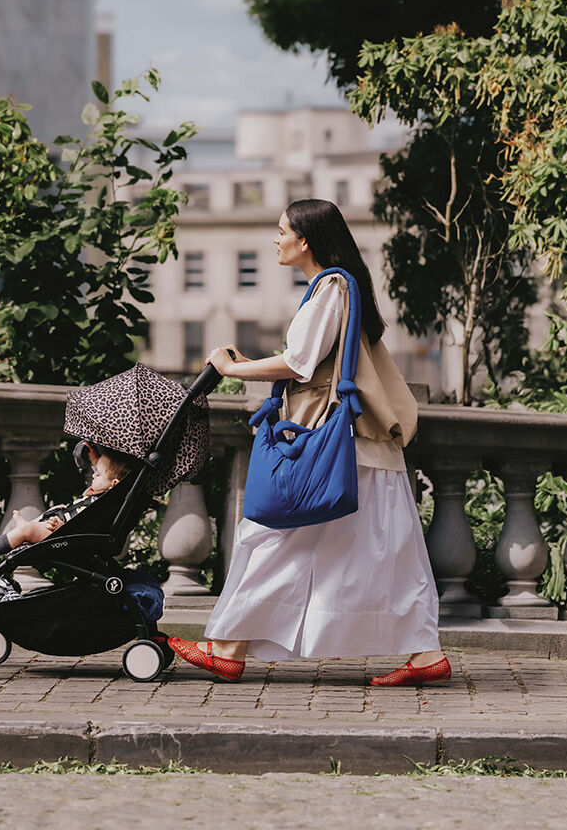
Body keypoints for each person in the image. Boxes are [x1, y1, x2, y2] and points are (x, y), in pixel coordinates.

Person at [168, 199, 449, 686]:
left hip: (334, 448)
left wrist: (231, 369)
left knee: (273, 538)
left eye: (282, 232)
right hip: (358, 448)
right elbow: (311, 360)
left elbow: (298, 362)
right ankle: (426, 656)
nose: (275, 240)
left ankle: (230, 649)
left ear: (305, 241)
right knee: (388, 554)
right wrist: (250, 365)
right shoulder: (340, 287)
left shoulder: (330, 288)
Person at [0, 441, 128, 562]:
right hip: (62, 531)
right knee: (58, 507)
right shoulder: (106, 497)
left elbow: (89, 527)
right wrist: (95, 459)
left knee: (29, 530)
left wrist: (64, 528)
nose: (93, 475)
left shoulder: (104, 504)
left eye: (98, 474)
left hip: (65, 539)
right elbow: (107, 474)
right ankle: (27, 527)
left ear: (113, 485)